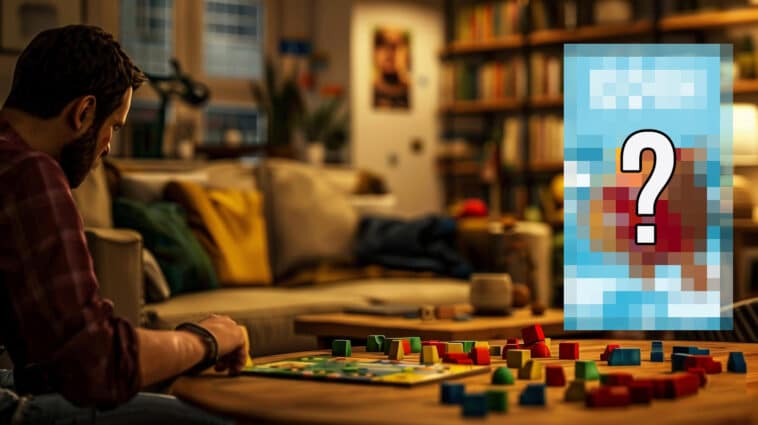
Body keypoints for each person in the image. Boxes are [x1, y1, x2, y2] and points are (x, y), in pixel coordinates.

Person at [0, 25, 245, 424]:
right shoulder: (30, 173)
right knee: (222, 420)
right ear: (83, 113)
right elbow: (95, 364)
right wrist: (206, 341)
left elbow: (49, 361)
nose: (109, 146)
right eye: (113, 126)